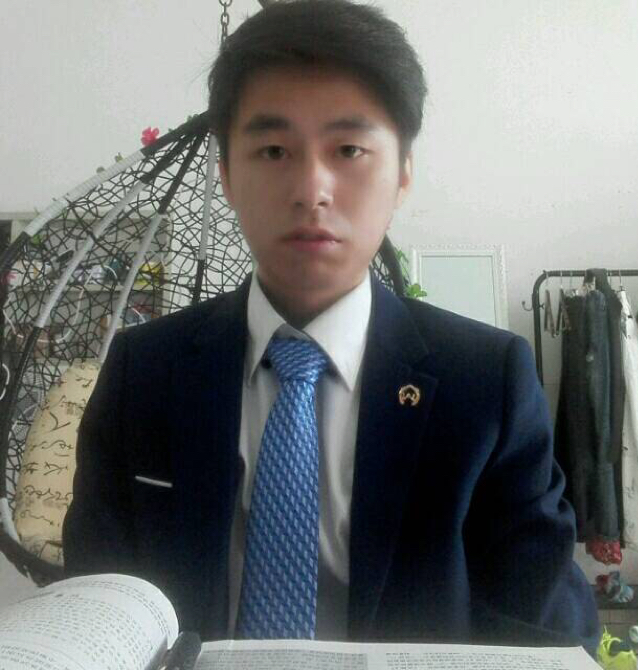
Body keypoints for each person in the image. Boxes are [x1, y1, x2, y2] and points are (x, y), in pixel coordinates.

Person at [62, 0, 599, 652]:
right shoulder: (144, 371)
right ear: (226, 175)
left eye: (349, 149)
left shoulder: (486, 384)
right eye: (273, 150)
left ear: (402, 174)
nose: (311, 189)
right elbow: (93, 604)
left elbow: (543, 629)